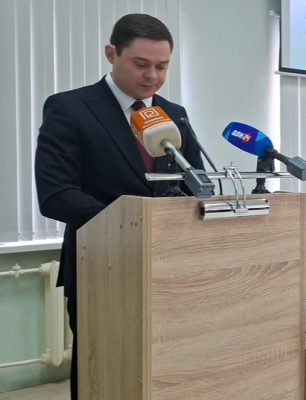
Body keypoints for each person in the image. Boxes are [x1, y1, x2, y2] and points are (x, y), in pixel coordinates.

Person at [33, 14, 203, 400]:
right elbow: (56, 193)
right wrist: (134, 226)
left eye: (162, 67)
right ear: (112, 54)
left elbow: (196, 186)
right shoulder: (70, 108)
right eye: (141, 64)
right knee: (105, 372)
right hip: (102, 265)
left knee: (165, 371)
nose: (152, 77)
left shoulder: (174, 114)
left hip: (172, 268)